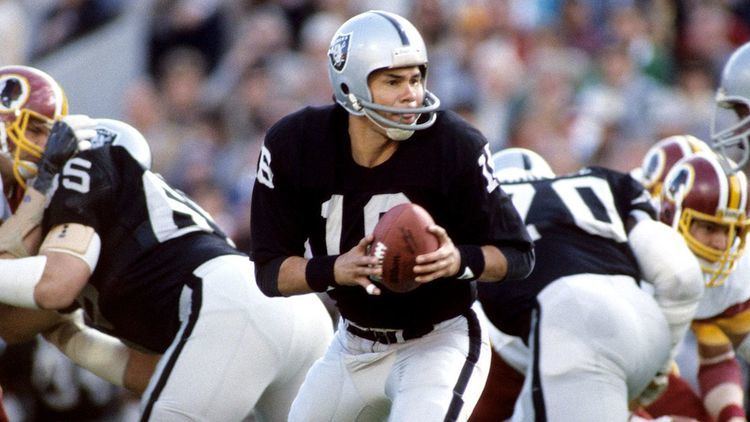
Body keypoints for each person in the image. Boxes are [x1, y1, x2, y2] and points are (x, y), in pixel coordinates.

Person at [0, 64, 334, 421]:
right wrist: (68, 336)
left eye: (37, 129)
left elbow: (55, 284)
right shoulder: (81, 235)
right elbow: (151, 371)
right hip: (280, 316)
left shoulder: (81, 162)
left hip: (235, 310)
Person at [249, 10, 534, 422]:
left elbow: (519, 255)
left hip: (437, 341)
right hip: (351, 346)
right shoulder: (295, 145)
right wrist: (337, 269)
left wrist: (459, 261)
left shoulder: (454, 144)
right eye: (393, 81)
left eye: (416, 78)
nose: (411, 95)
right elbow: (270, 273)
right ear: (348, 86)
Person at [474, 148, 704, 420]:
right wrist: (660, 366)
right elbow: (681, 276)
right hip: (645, 321)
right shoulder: (602, 183)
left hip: (572, 321)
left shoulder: (478, 209)